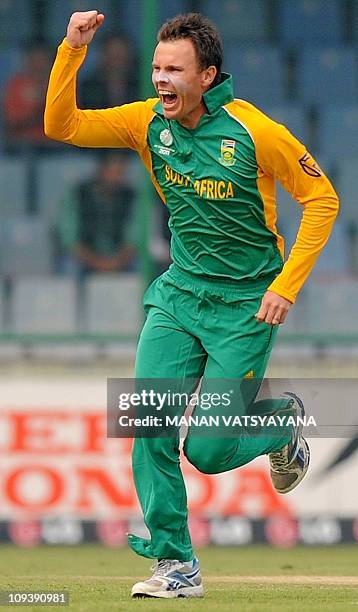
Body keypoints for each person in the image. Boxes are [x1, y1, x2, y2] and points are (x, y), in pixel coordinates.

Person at [44, 11, 339, 599]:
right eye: (156, 67)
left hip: (246, 306)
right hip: (179, 295)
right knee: (147, 423)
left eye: (173, 69)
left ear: (206, 75)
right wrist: (72, 51)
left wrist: (286, 287)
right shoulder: (147, 122)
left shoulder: (256, 132)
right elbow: (63, 125)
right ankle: (176, 565)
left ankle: (281, 425)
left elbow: (322, 198)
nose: (160, 79)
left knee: (207, 449)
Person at [57, 153, 136, 276]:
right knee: (69, 266)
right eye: (114, 172)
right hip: (84, 258)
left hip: (120, 259)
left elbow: (134, 237)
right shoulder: (79, 193)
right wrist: (98, 263)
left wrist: (116, 262)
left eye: (121, 173)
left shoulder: (130, 196)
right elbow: (70, 238)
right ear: (102, 171)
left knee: (142, 266)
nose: (118, 178)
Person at [4, 42, 52, 153]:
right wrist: (38, 113)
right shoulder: (15, 85)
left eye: (42, 61)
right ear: (27, 61)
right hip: (20, 146)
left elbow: (70, 120)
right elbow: (11, 124)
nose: (39, 66)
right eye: (35, 61)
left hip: (55, 146)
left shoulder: (60, 84)